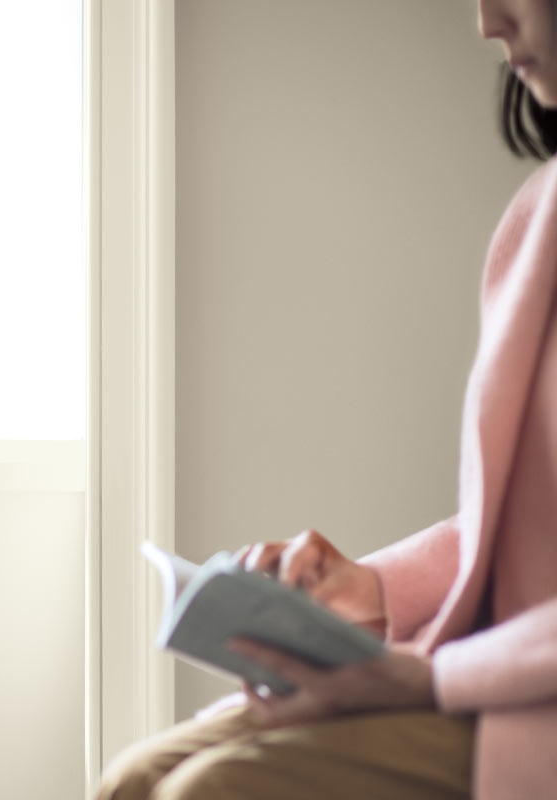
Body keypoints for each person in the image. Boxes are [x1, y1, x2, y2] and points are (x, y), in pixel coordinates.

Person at [95, 1, 557, 797]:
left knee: (208, 793)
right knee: (132, 780)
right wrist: (374, 591)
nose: (487, 21)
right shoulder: (540, 212)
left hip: (517, 700)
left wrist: (434, 680)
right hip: (488, 673)